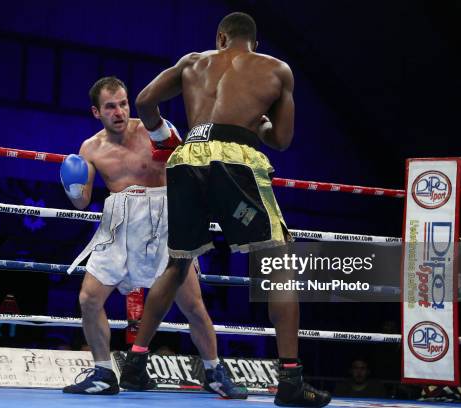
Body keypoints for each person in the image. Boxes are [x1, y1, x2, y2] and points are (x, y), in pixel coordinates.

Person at [119, 12, 331, 407]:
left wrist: (162, 136)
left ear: (221, 37)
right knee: (279, 262)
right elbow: (281, 140)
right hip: (236, 161)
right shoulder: (277, 70)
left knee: (177, 263)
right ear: (253, 41)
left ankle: (134, 364)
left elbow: (145, 101)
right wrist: (260, 126)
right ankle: (290, 380)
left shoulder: (191, 62)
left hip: (186, 159)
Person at [60, 76, 246, 398]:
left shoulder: (152, 129)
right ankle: (104, 373)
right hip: (120, 222)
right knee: (89, 298)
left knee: (192, 305)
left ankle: (215, 372)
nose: (119, 111)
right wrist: (73, 187)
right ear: (96, 112)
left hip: (166, 218)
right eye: (110, 106)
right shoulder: (89, 149)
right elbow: (83, 201)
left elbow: (185, 164)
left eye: (123, 103)